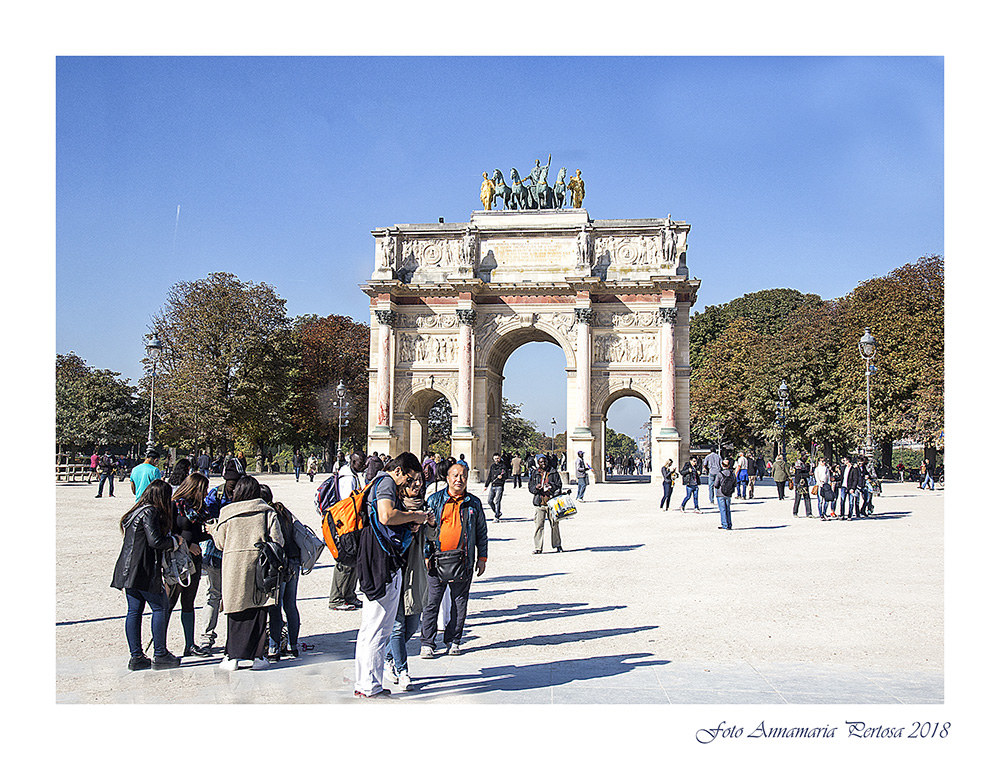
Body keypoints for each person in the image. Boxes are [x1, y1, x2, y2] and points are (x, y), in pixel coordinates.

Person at [354, 453, 432, 698]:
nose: (409, 484)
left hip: (375, 554)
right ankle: (369, 685)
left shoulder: (378, 482)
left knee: (374, 624)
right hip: (380, 559)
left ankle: (367, 681)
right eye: (409, 477)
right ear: (398, 471)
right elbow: (386, 515)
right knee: (378, 625)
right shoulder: (387, 482)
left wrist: (410, 522)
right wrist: (416, 516)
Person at [209, 475, 284, 671]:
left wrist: (211, 529)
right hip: (259, 565)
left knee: (235, 610)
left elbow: (220, 543)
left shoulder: (227, 513)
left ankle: (232, 656)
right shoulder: (267, 512)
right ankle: (258, 657)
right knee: (259, 609)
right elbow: (278, 540)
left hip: (234, 566)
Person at [110, 479, 182, 671]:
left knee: (134, 611)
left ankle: (136, 656)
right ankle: (160, 654)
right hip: (143, 569)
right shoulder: (150, 511)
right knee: (160, 607)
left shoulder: (135, 511)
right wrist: (175, 541)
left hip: (127, 569)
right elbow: (155, 541)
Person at [420, 460, 488, 658]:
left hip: (463, 559)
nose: (459, 479)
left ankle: (454, 640)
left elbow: (481, 532)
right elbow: (426, 530)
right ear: (447, 478)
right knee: (432, 602)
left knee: (460, 603)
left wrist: (482, 557)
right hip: (437, 558)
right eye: (455, 475)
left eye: (463, 476)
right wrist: (426, 553)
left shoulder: (474, 502)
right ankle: (427, 642)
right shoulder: (433, 500)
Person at [384, 470, 431, 691]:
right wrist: (409, 525)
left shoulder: (426, 506)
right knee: (398, 624)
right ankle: (402, 671)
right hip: (396, 569)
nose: (417, 484)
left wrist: (429, 523)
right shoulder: (394, 506)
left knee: (412, 624)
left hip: (416, 572)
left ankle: (386, 655)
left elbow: (433, 537)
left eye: (420, 481)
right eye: (413, 481)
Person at [198, 459, 243, 650]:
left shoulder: (215, 493)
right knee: (232, 596)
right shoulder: (240, 493)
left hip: (218, 551)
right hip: (229, 552)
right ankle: (228, 640)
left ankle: (207, 638)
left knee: (214, 595)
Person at [167, 472, 212, 657]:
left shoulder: (199, 508)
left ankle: (189, 644)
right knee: (169, 602)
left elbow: (197, 531)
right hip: (178, 559)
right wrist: (187, 544)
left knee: (188, 601)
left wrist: (210, 533)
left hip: (194, 559)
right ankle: (160, 645)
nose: (205, 493)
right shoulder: (175, 505)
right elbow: (170, 532)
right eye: (203, 490)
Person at [261, 484, 302, 661]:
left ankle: (273, 647)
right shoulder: (283, 510)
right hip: (294, 560)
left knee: (275, 607)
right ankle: (293, 645)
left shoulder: (266, 514)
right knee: (291, 605)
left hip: (280, 563)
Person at [329, 452, 366, 611]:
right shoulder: (347, 478)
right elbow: (347, 504)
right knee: (344, 562)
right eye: (359, 462)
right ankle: (336, 598)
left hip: (353, 523)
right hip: (346, 525)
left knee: (354, 561)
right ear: (352, 461)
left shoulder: (353, 475)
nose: (362, 465)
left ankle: (349, 594)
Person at [528, 454, 563, 553]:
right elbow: (530, 487)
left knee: (554, 524)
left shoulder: (553, 472)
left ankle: (557, 544)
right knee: (539, 525)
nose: (543, 464)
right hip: (540, 502)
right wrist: (536, 488)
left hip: (551, 502)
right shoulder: (535, 473)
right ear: (538, 463)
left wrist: (551, 485)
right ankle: (538, 547)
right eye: (541, 462)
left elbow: (559, 485)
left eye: (545, 461)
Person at [713, 458, 736, 530]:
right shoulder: (732, 474)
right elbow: (735, 483)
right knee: (728, 509)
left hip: (720, 493)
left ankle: (724, 524)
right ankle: (729, 524)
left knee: (722, 509)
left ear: (722, 465)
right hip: (728, 493)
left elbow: (716, 484)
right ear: (729, 466)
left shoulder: (720, 474)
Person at [484, 452, 508, 522]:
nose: (496, 460)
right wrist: (486, 485)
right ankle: (497, 512)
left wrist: (502, 477)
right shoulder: (492, 466)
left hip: (499, 486)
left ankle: (497, 516)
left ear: (500, 458)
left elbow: (506, 476)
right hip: (493, 485)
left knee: (497, 501)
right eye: (495, 458)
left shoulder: (503, 466)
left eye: (497, 458)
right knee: (489, 501)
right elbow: (489, 476)